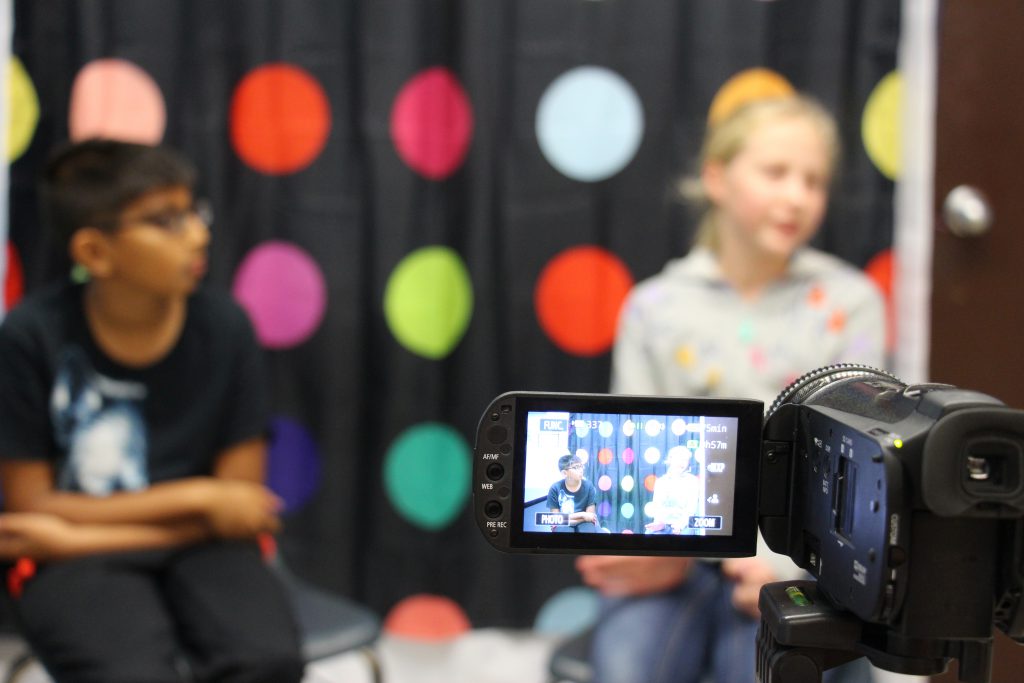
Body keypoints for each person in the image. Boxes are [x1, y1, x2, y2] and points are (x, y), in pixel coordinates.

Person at [579, 94, 886, 683]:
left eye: (814, 181)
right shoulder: (654, 308)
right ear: (716, 178)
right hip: (680, 555)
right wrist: (646, 552)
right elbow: (628, 460)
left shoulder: (849, 304)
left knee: (760, 669)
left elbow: (857, 469)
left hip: (797, 557)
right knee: (626, 667)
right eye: (776, 172)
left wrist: (790, 569)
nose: (797, 196)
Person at [0, 139, 305, 683]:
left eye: (194, 211)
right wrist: (198, 498)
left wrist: (75, 535)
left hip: (192, 548)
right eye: (166, 220)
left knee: (267, 661)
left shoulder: (227, 328)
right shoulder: (29, 336)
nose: (197, 233)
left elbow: (242, 506)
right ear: (95, 252)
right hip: (90, 562)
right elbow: (30, 506)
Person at [644, 445, 701, 535]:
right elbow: (657, 508)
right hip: (664, 525)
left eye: (685, 460)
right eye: (679, 459)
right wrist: (660, 524)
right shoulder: (661, 482)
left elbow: (691, 510)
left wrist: (680, 525)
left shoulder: (693, 481)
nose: (682, 463)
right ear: (670, 460)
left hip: (684, 525)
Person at [547, 454, 600, 533]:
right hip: (564, 523)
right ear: (564, 473)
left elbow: (590, 516)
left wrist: (567, 518)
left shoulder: (589, 486)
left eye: (581, 466)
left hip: (584, 522)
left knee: (588, 532)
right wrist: (582, 515)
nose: (581, 470)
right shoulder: (555, 488)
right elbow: (556, 518)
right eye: (576, 467)